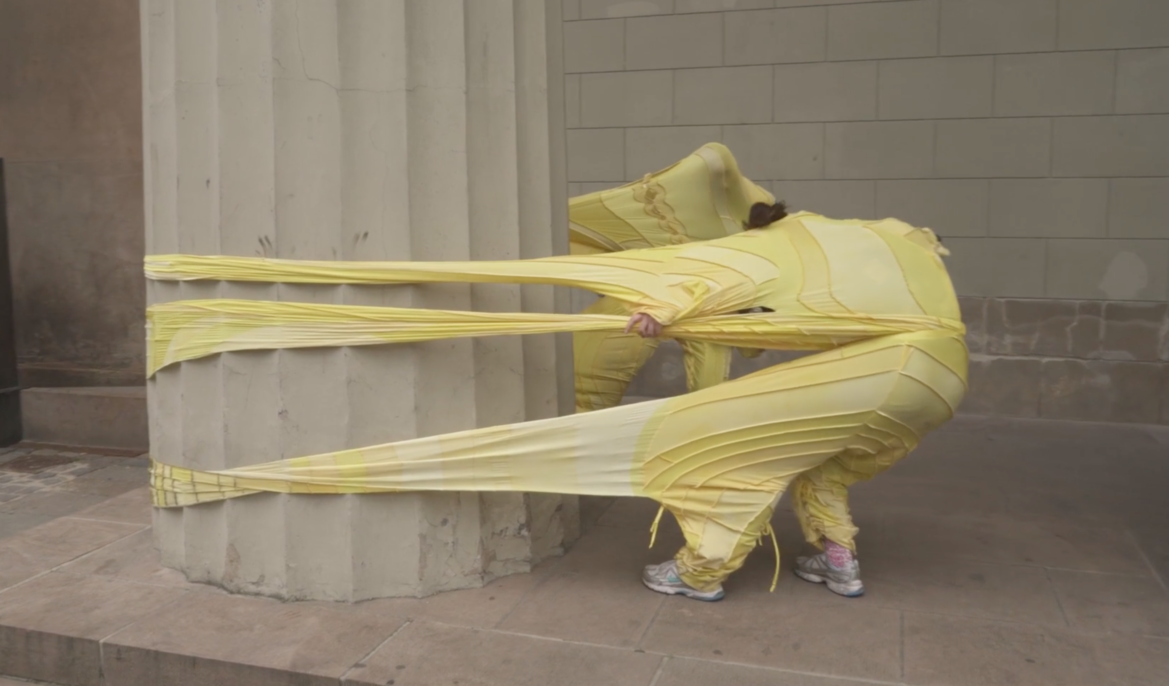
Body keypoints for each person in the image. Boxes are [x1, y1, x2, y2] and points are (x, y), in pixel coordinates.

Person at [147, 205, 966, 603]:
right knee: (824, 463)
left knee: (726, 445)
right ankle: (838, 560)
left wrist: (664, 311)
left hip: (882, 369)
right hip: (940, 379)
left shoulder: (782, 245)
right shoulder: (884, 247)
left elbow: (731, 282)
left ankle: (701, 571)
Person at [568, 143, 777, 413]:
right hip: (663, 291)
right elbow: (716, 157)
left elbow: (732, 355)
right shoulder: (741, 225)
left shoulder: (742, 276)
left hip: (674, 300)